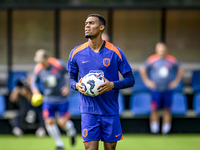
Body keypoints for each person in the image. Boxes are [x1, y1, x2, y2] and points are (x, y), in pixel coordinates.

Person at [67, 14, 135, 150]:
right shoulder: (76, 53)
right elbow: (71, 79)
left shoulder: (115, 52)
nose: (87, 26)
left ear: (101, 27)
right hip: (89, 110)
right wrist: (76, 85)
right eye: (86, 23)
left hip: (110, 110)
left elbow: (130, 80)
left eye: (91, 23)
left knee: (110, 148)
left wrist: (112, 85)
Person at [31, 49, 76, 150]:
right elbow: (33, 82)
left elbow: (71, 74)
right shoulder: (38, 68)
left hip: (62, 99)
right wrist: (35, 91)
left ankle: (72, 131)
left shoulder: (58, 64)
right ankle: (60, 144)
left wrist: (67, 87)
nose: (40, 64)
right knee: (49, 122)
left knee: (62, 123)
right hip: (48, 99)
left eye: (42, 62)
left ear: (47, 58)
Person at [139, 42, 183, 135]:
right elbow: (142, 69)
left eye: (163, 49)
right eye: (159, 49)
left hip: (168, 89)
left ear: (166, 50)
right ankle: (154, 131)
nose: (161, 51)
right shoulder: (151, 59)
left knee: (167, 109)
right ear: (156, 50)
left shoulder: (172, 59)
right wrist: (148, 81)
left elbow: (180, 70)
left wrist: (176, 82)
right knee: (154, 109)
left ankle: (165, 131)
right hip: (156, 90)